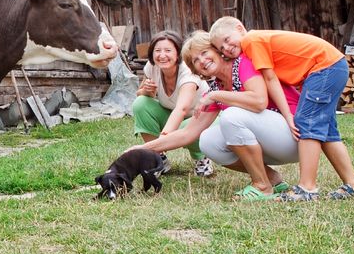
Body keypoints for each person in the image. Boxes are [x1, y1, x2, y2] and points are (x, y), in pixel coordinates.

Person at [126, 31, 301, 200]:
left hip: (295, 136)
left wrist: (215, 96)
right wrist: (142, 149)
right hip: (271, 142)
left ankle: (262, 186)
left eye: (204, 53)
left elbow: (259, 100)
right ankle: (271, 179)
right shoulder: (216, 89)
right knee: (208, 141)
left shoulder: (242, 64)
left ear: (218, 51)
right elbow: (187, 134)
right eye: (195, 60)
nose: (202, 60)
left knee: (231, 116)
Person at [209, 17, 354, 201]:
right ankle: (353, 185)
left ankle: (307, 188)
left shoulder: (252, 40)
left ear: (239, 28)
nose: (226, 48)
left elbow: (270, 79)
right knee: (328, 131)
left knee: (307, 123)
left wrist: (289, 117)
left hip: (324, 67)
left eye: (227, 40)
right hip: (332, 65)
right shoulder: (256, 42)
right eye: (221, 48)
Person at [131, 30, 212, 176]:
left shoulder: (188, 71)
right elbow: (139, 94)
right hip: (170, 113)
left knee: (186, 126)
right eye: (157, 50)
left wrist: (161, 141)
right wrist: (147, 91)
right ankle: (158, 159)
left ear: (178, 53)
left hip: (200, 118)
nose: (162, 55)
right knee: (140, 103)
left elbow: (182, 109)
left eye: (168, 50)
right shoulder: (152, 67)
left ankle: (202, 159)